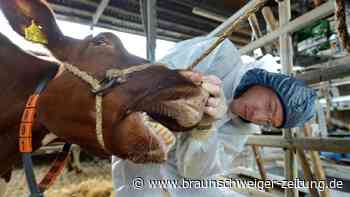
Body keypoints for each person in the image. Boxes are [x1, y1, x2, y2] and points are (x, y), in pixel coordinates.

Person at [112, 36, 316, 197]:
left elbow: (193, 171)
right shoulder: (222, 55)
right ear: (265, 83)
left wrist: (204, 129)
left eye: (268, 121)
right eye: (269, 106)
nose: (258, 116)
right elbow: (160, 71)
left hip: (177, 166)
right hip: (142, 130)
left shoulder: (240, 130)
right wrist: (191, 89)